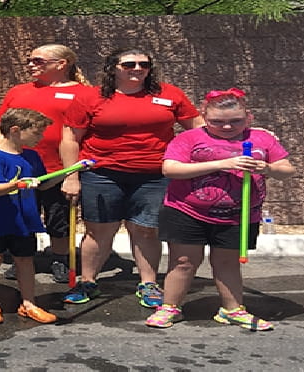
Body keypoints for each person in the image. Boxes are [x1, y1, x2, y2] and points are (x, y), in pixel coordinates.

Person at [60, 48, 204, 307]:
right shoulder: (90, 97)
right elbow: (70, 138)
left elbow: (198, 129)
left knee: (147, 230)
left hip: (154, 175)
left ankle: (148, 283)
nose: (137, 69)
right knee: (99, 231)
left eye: (143, 65)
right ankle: (88, 281)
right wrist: (71, 176)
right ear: (113, 67)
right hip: (101, 173)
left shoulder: (168, 94)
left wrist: (240, 138)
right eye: (129, 64)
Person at [145, 88, 294, 330]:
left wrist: (265, 167)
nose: (226, 127)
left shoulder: (261, 138)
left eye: (235, 121)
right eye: (217, 122)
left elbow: (287, 169)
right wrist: (223, 163)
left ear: (249, 117)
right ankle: (169, 307)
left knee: (228, 262)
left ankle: (232, 310)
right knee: (183, 261)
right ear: (204, 116)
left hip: (240, 213)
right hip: (186, 211)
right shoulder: (188, 138)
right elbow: (170, 169)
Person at [0, 44, 91, 283]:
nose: (31, 65)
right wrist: (6, 156)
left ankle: (59, 258)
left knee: (59, 217)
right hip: (22, 167)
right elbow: (0, 124)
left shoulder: (85, 93)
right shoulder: (19, 91)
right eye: (29, 60)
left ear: (61, 64)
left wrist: (72, 173)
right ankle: (23, 257)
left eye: (38, 61)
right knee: (23, 215)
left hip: (60, 168)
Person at [0, 108, 59, 324]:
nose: (41, 138)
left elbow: (42, 183)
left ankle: (29, 303)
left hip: (25, 218)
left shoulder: (31, 156)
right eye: (37, 133)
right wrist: (18, 184)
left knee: (25, 259)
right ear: (15, 130)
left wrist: (70, 172)